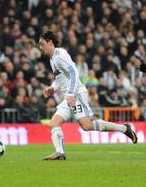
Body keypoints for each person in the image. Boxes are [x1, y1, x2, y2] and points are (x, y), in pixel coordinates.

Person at [38, 31, 137, 161]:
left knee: (87, 126)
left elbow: (74, 73)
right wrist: (53, 87)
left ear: (50, 42)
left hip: (76, 94)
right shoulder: (53, 59)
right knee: (54, 123)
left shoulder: (60, 55)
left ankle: (124, 128)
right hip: (69, 96)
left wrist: (71, 94)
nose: (40, 47)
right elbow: (61, 77)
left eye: (42, 44)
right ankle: (59, 152)